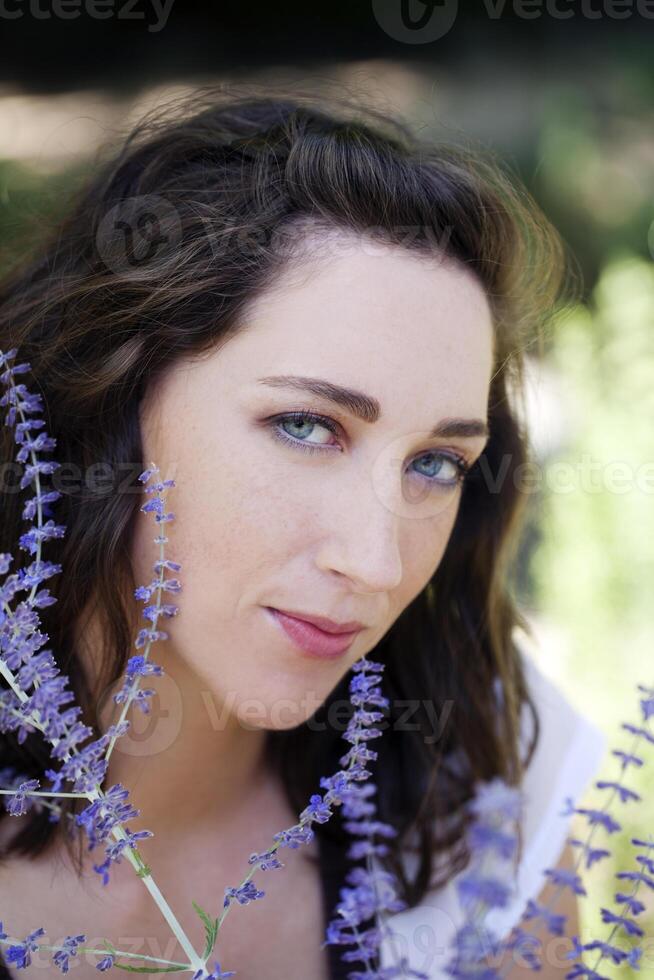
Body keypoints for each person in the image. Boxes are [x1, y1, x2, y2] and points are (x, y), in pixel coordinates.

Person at [0, 87, 606, 979]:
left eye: (435, 462)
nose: (374, 561)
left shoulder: (486, 797)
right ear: (115, 397)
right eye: (306, 426)